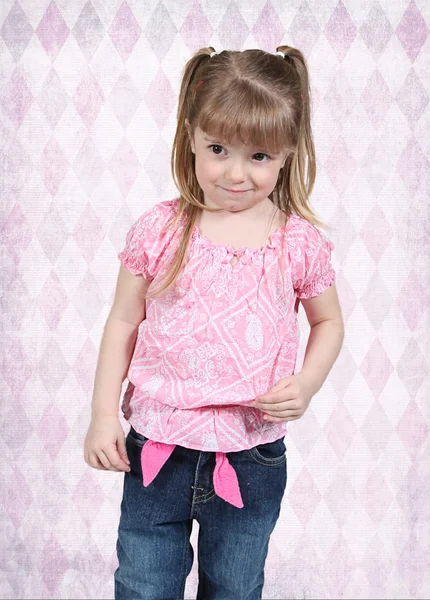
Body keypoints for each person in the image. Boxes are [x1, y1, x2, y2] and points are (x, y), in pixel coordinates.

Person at [84, 45, 344, 600]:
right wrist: (104, 413)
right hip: (157, 448)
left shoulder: (297, 243)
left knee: (235, 586)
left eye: (259, 157)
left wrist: (307, 382)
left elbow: (328, 323)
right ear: (191, 135)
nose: (234, 172)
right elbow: (123, 320)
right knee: (142, 584)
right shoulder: (160, 230)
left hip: (251, 455)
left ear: (287, 152)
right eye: (218, 148)